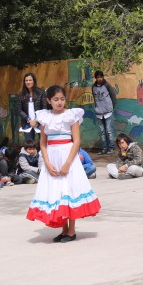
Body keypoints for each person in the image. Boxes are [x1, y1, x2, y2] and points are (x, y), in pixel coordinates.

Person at [26, 85, 101, 242]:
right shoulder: (44, 117)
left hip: (68, 156)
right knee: (57, 192)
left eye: (62, 99)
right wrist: (46, 162)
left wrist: (68, 163)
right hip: (51, 158)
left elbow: (77, 141)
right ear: (49, 100)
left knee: (69, 190)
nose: (59, 102)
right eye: (55, 99)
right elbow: (42, 143)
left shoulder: (71, 115)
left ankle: (72, 231)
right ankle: (64, 230)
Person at [91, 70, 117, 154]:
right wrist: (96, 108)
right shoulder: (93, 87)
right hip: (99, 112)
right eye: (97, 77)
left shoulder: (107, 85)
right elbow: (95, 98)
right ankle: (104, 148)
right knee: (102, 131)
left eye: (100, 77)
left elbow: (113, 96)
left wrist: (111, 107)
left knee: (109, 130)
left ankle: (111, 148)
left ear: (103, 77)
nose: (99, 79)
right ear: (96, 78)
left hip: (108, 111)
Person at [17, 72, 46, 136]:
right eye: (26, 80)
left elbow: (44, 108)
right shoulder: (21, 94)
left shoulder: (41, 92)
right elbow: (19, 110)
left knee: (42, 143)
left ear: (34, 81)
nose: (28, 82)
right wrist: (29, 120)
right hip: (27, 123)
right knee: (29, 144)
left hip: (39, 122)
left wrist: (36, 120)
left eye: (30, 80)